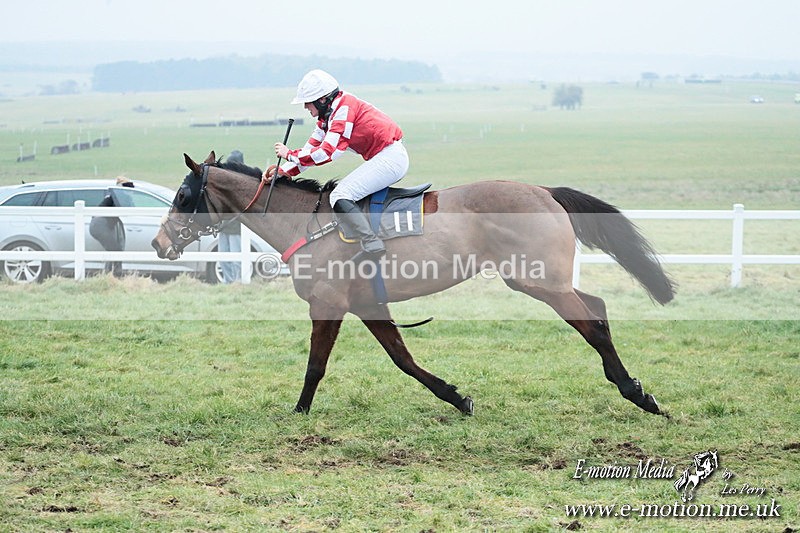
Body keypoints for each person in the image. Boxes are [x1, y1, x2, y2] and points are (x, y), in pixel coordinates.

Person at [267, 69, 408, 259]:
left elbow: (327, 153)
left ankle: (372, 244)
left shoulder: (344, 108)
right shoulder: (327, 117)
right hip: (384, 157)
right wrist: (283, 171)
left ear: (322, 99)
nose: (305, 107)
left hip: (390, 158)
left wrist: (289, 154)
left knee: (340, 195)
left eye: (308, 102)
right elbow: (312, 149)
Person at [89, 176, 132, 276]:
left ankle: (109, 273)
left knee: (112, 249)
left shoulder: (113, 196)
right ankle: (115, 274)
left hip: (101, 225)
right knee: (115, 250)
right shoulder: (116, 197)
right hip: (101, 225)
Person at [218, 150, 244, 283]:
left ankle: (237, 282)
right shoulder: (225, 181)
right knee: (223, 258)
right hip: (223, 226)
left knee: (236, 258)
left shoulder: (243, 182)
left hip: (235, 227)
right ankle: (228, 282)